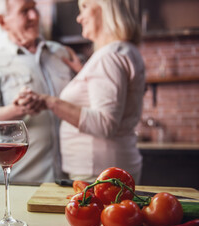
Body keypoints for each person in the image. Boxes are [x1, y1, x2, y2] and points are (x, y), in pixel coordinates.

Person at [17, 0, 145, 183]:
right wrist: (84, 71)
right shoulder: (124, 50)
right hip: (109, 170)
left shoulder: (108, 57)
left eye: (84, 7)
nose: (79, 17)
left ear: (105, 10)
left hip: (100, 175)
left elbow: (105, 124)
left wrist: (49, 102)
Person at [0, 0, 75, 183]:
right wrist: (17, 109)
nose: (35, 16)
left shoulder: (62, 54)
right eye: (24, 11)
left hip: (71, 178)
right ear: (2, 21)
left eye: (34, 8)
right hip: (22, 180)